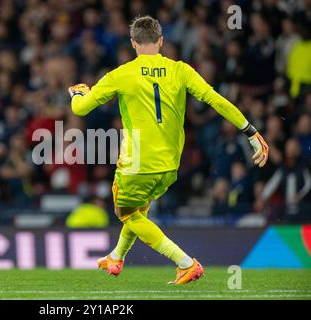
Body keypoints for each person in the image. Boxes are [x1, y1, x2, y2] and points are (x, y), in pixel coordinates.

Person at [67, 16, 269, 284]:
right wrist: (251, 131)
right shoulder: (181, 70)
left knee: (125, 212)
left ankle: (186, 263)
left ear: (133, 43)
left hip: (137, 162)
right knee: (138, 210)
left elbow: (80, 110)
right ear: (160, 41)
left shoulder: (121, 74)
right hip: (171, 164)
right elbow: (216, 100)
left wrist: (79, 93)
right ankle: (116, 257)